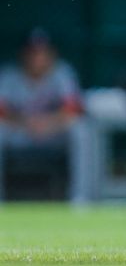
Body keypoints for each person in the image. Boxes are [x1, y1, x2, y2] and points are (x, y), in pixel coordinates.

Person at [0, 27, 92, 202]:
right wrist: (25, 122)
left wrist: (48, 123)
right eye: (33, 53)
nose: (37, 58)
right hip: (19, 132)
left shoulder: (62, 73)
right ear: (23, 54)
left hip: (53, 133)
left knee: (81, 130)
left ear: (51, 54)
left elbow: (74, 108)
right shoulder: (9, 75)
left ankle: (81, 198)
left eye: (42, 53)